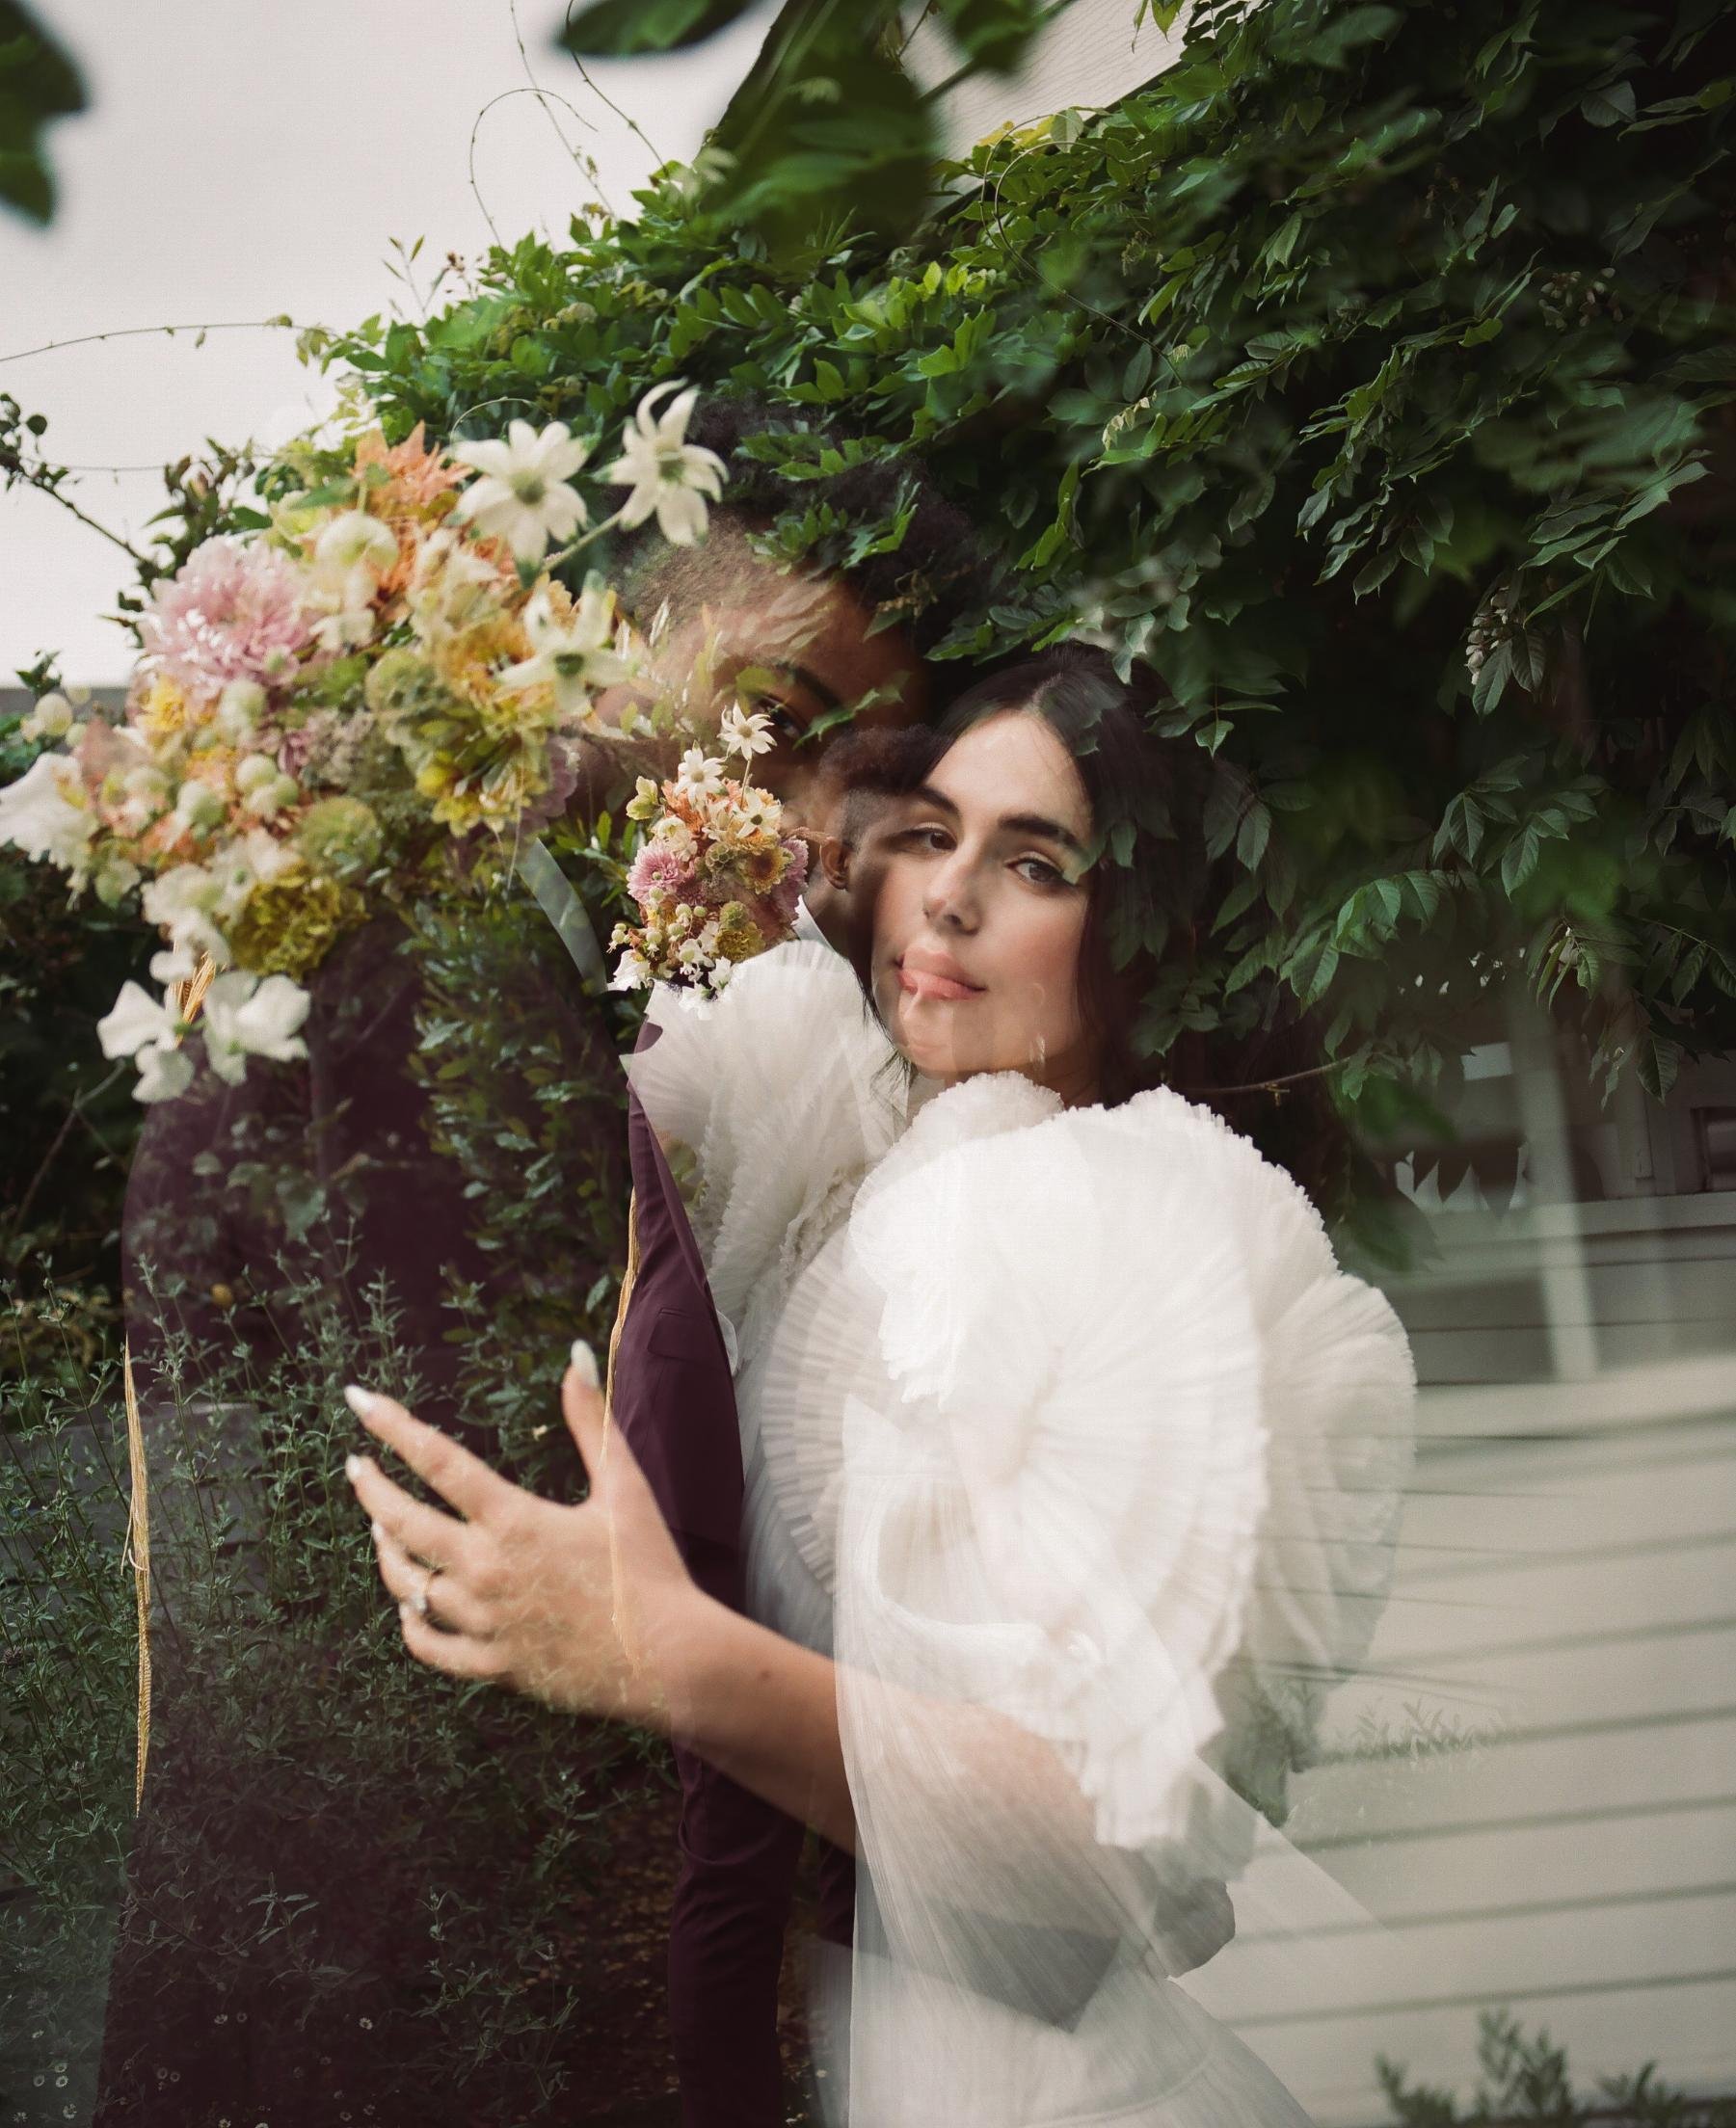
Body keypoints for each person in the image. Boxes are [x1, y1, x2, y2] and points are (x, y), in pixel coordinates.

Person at [344, 647, 1418, 2126]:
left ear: (1136, 941)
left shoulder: (1143, 1230)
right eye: (929, 833)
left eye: (1032, 862)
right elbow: (579, 1125)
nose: (949, 898)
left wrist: (661, 1657)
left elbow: (1097, 1838)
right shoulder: (871, 1134)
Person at [93, 410, 987, 2126]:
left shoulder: (639, 994)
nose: (806, 822)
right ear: (621, 624)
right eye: (774, 721)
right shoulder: (415, 971)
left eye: (853, 771)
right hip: (381, 1964)